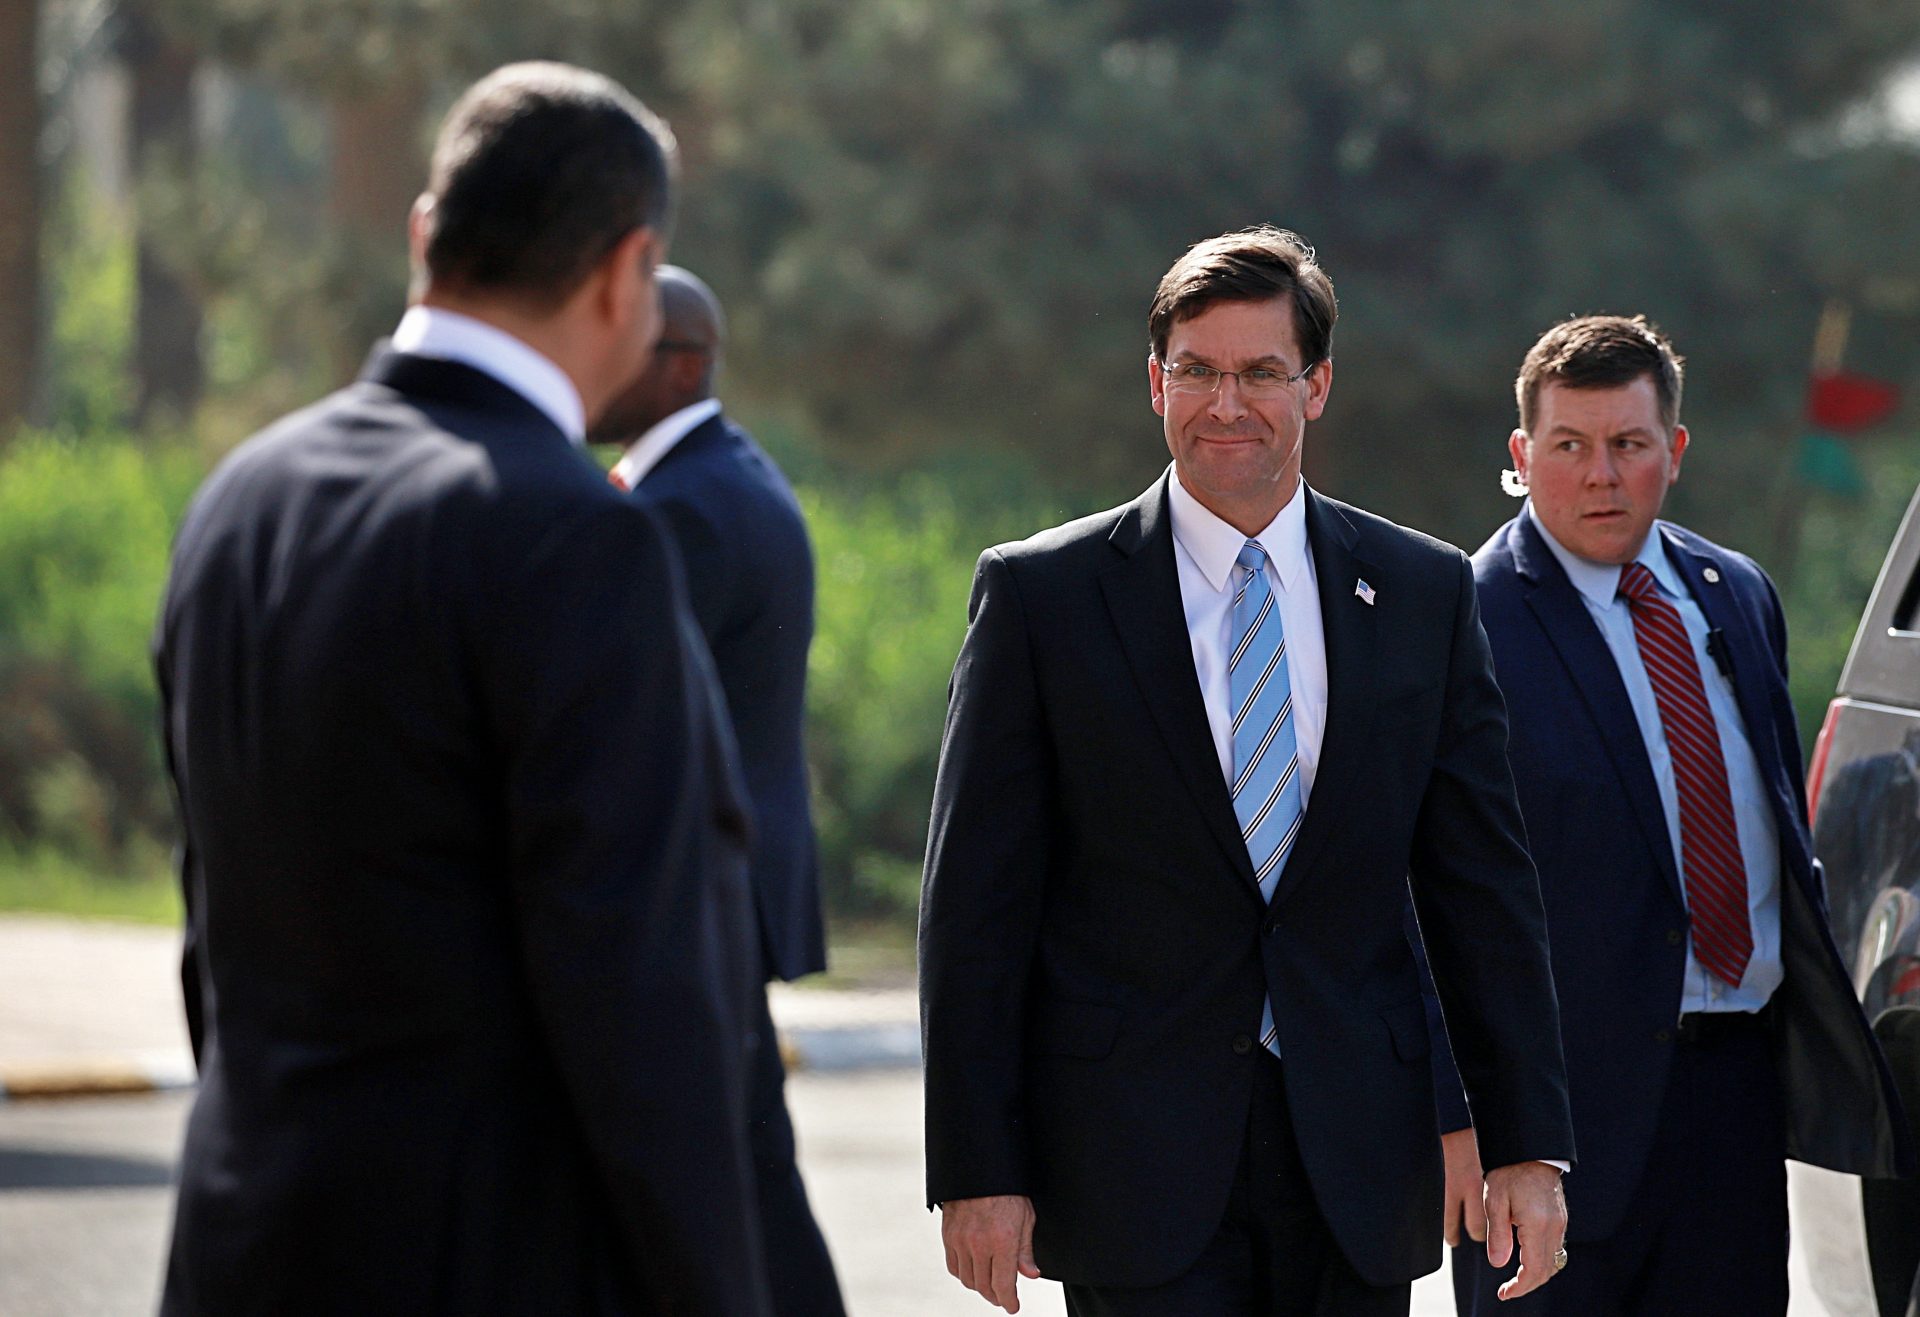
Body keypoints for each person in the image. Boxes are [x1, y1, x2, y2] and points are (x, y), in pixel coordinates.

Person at [154, 63, 773, 1316]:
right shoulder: (574, 539)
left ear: (426, 234)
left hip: (245, 1238)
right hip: (489, 1259)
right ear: (627, 273)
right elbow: (644, 1005)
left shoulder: (241, 496)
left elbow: (214, 933)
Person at [918, 224, 1576, 1317]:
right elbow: (975, 909)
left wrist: (1526, 1145)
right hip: (1130, 1164)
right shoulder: (1045, 599)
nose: (1228, 403)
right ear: (1154, 383)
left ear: (1315, 387)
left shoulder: (1421, 594)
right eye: (1198, 372)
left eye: (1262, 373)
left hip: (1357, 1165)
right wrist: (977, 1168)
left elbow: (1484, 892)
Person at [1446, 314, 1915, 1315]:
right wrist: (1482, 1132)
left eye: (1629, 444)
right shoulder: (1464, 623)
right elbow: (1430, 901)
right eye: (1569, 446)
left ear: (1676, 451)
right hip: (1553, 1129)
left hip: (1733, 1105)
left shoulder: (1736, 594)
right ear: (1523, 457)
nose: (1601, 475)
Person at [593, 266, 846, 1316]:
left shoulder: (683, 507)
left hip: (694, 889)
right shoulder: (722, 475)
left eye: (625, 340)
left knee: (736, 1170)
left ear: (683, 361)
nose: (594, 360)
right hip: (723, 883)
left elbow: (619, 719)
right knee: (742, 1160)